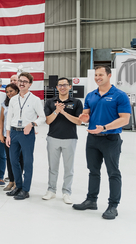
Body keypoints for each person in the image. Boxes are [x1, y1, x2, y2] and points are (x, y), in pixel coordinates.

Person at [73, 66, 131, 220]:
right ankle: (91, 200)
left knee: (113, 172)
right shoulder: (91, 95)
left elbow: (125, 119)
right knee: (93, 171)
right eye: (96, 75)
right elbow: (86, 114)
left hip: (110, 139)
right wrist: (84, 118)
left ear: (109, 75)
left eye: (101, 75)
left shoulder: (119, 95)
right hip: (92, 139)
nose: (98, 77)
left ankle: (113, 206)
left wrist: (104, 127)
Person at [5, 72, 46, 200]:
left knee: (28, 162)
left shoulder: (35, 100)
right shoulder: (13, 99)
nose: (22, 83)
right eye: (20, 81)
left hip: (27, 133)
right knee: (13, 160)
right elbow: (9, 117)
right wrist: (8, 134)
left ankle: (26, 189)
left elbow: (43, 117)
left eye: (25, 81)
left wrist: (32, 124)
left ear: (30, 84)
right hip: (14, 132)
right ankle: (18, 186)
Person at [43, 77, 83, 204]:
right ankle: (51, 190)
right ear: (57, 87)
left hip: (70, 139)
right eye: (60, 85)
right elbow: (48, 121)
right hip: (53, 138)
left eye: (65, 85)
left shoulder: (76, 102)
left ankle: (66, 192)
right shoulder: (50, 102)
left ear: (70, 87)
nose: (62, 87)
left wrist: (63, 112)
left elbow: (79, 121)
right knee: (52, 167)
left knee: (68, 168)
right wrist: (56, 111)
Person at [0, 83, 20, 191]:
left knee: (19, 159)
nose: (9, 93)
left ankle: (18, 181)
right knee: (10, 159)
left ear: (17, 91)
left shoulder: (20, 102)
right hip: (7, 135)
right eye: (7, 92)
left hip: (18, 134)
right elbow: (2, 120)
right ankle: (11, 181)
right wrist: (1, 134)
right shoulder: (4, 104)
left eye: (11, 91)